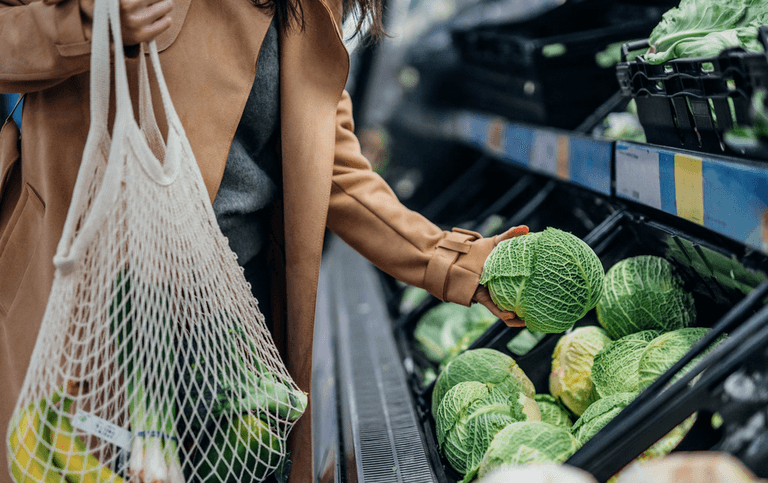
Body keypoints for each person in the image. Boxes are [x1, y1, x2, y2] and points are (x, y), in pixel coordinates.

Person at [0, 0, 527, 481]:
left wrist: (455, 262)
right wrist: (87, 24)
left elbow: (334, 165)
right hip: (90, 299)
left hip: (229, 324)